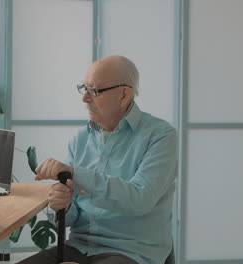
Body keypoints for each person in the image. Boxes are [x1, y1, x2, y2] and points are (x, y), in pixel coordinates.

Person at [18, 55, 177, 264]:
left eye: (94, 90)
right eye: (83, 88)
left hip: (129, 252)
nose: (85, 98)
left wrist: (76, 174)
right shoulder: (80, 140)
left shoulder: (160, 136)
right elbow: (72, 214)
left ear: (124, 95)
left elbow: (140, 199)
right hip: (76, 248)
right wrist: (63, 205)